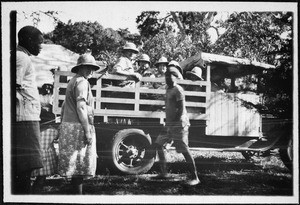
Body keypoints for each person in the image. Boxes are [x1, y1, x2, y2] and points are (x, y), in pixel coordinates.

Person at [151, 61, 200, 186]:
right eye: (166, 76)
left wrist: (172, 125)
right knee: (159, 144)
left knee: (184, 150)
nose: (167, 78)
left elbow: (180, 109)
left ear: (175, 77)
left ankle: (195, 177)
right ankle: (164, 173)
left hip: (179, 124)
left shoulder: (178, 90)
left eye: (170, 76)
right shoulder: (168, 89)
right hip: (170, 123)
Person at [57, 53, 99, 194]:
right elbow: (81, 107)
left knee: (75, 165)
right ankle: (78, 196)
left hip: (69, 125)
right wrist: (87, 131)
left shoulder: (73, 81)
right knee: (79, 164)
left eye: (92, 68)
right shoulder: (82, 82)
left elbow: (64, 105)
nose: (90, 71)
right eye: (87, 67)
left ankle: (76, 194)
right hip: (77, 126)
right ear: (80, 68)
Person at [12, 25, 44, 194]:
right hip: (24, 118)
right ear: (27, 40)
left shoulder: (21, 56)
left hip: (26, 115)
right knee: (25, 166)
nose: (41, 46)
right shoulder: (21, 58)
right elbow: (13, 87)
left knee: (25, 166)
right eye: (39, 43)